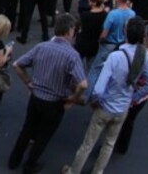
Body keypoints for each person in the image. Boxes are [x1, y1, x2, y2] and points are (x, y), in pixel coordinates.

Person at [62, 18, 148, 174]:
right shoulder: (143, 56)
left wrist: (95, 101)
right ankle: (98, 171)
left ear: (126, 32)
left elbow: (99, 89)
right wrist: (133, 97)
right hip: (123, 108)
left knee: (88, 143)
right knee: (109, 143)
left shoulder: (116, 57)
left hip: (105, 106)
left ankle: (74, 170)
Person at [8, 13, 88, 174]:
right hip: (55, 103)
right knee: (44, 136)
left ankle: (13, 160)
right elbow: (83, 84)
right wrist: (73, 99)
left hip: (36, 97)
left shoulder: (41, 46)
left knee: (27, 129)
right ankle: (30, 165)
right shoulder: (72, 55)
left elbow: (17, 65)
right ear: (70, 30)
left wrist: (29, 83)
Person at [114, 24, 148, 155]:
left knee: (126, 120)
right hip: (145, 95)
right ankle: (122, 145)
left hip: (136, 93)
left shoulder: (144, 55)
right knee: (130, 120)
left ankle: (119, 144)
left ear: (147, 38)